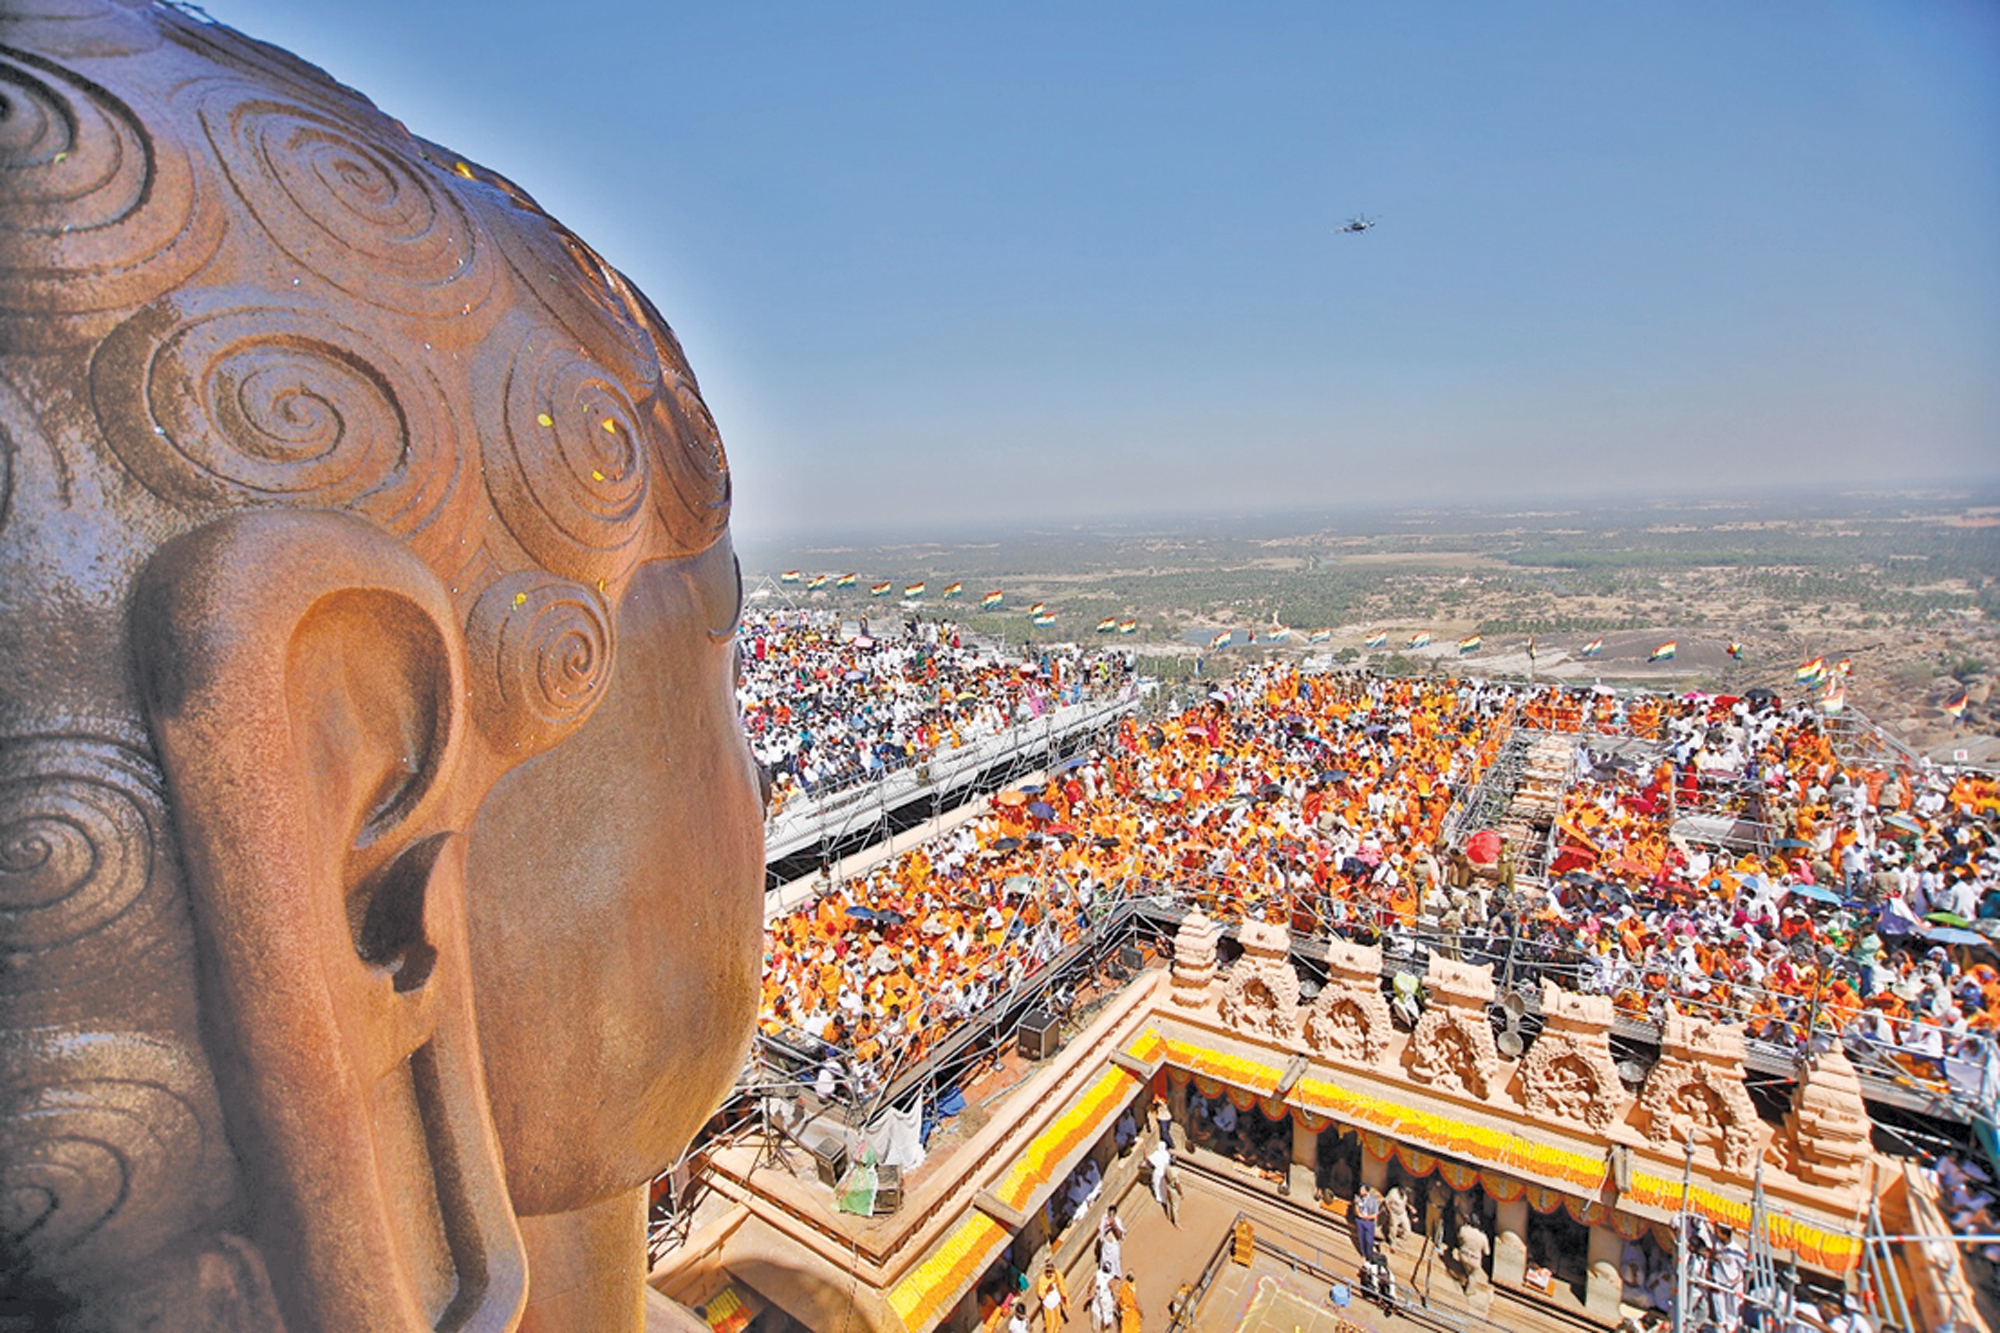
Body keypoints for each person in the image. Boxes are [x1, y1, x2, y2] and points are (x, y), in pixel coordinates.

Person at [1038, 1261, 1070, 1333]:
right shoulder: (1042, 1279)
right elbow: (1041, 1294)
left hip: (1056, 1301)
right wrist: (1047, 1290)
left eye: (1051, 1271)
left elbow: (1061, 1286)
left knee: (1057, 1322)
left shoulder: (1057, 1275)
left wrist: (1065, 1300)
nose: (1049, 1274)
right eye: (1047, 1272)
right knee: (1049, 1323)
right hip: (1047, 1303)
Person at [1353, 1183, 1382, 1261]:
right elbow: (1356, 1209)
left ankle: (1370, 1255)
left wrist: (1366, 1217)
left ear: (1367, 1191)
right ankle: (1363, 1253)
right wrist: (1359, 1214)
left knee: (1369, 1240)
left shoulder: (1373, 1200)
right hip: (1360, 1220)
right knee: (1361, 1238)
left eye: (1362, 1190)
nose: (1360, 1191)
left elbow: (1375, 1214)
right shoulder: (1358, 1198)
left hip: (1369, 1222)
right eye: (1360, 1189)